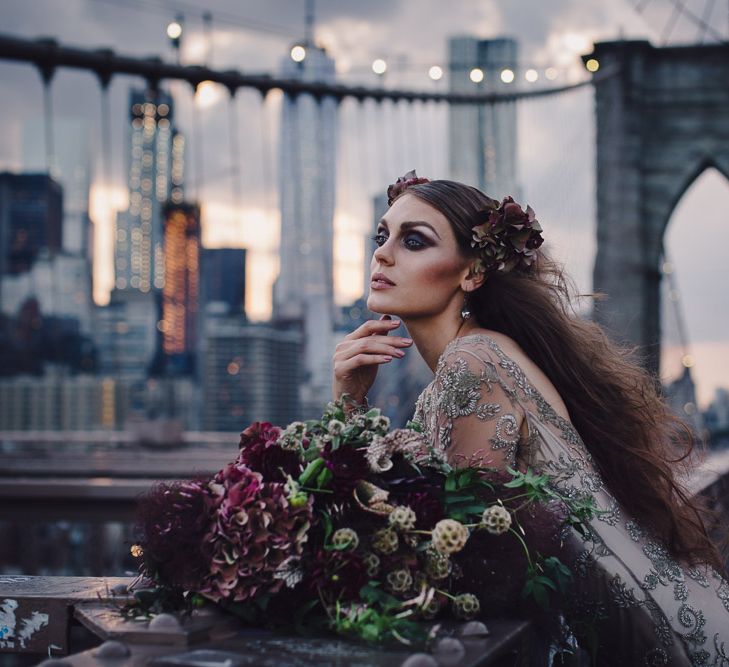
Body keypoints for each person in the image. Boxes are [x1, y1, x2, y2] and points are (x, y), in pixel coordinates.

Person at [332, 172, 729, 665]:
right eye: (382, 236)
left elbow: (462, 556)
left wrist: (347, 408)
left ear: (473, 273)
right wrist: (352, 398)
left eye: (413, 240)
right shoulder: (490, 352)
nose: (383, 253)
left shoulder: (472, 363)